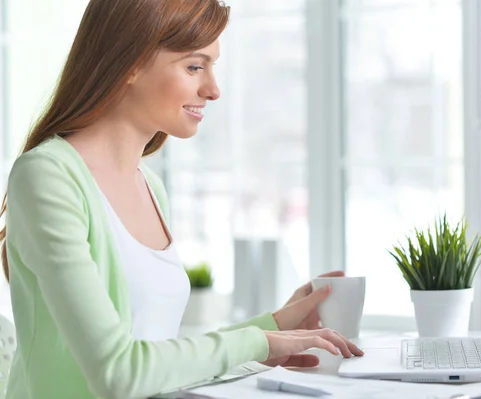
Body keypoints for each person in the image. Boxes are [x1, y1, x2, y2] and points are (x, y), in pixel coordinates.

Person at [0, 1, 363, 398]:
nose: (213, 89)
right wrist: (261, 342)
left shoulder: (150, 187)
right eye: (195, 66)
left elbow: (160, 362)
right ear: (130, 62)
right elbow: (118, 373)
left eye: (213, 66)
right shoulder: (47, 178)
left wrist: (274, 327)